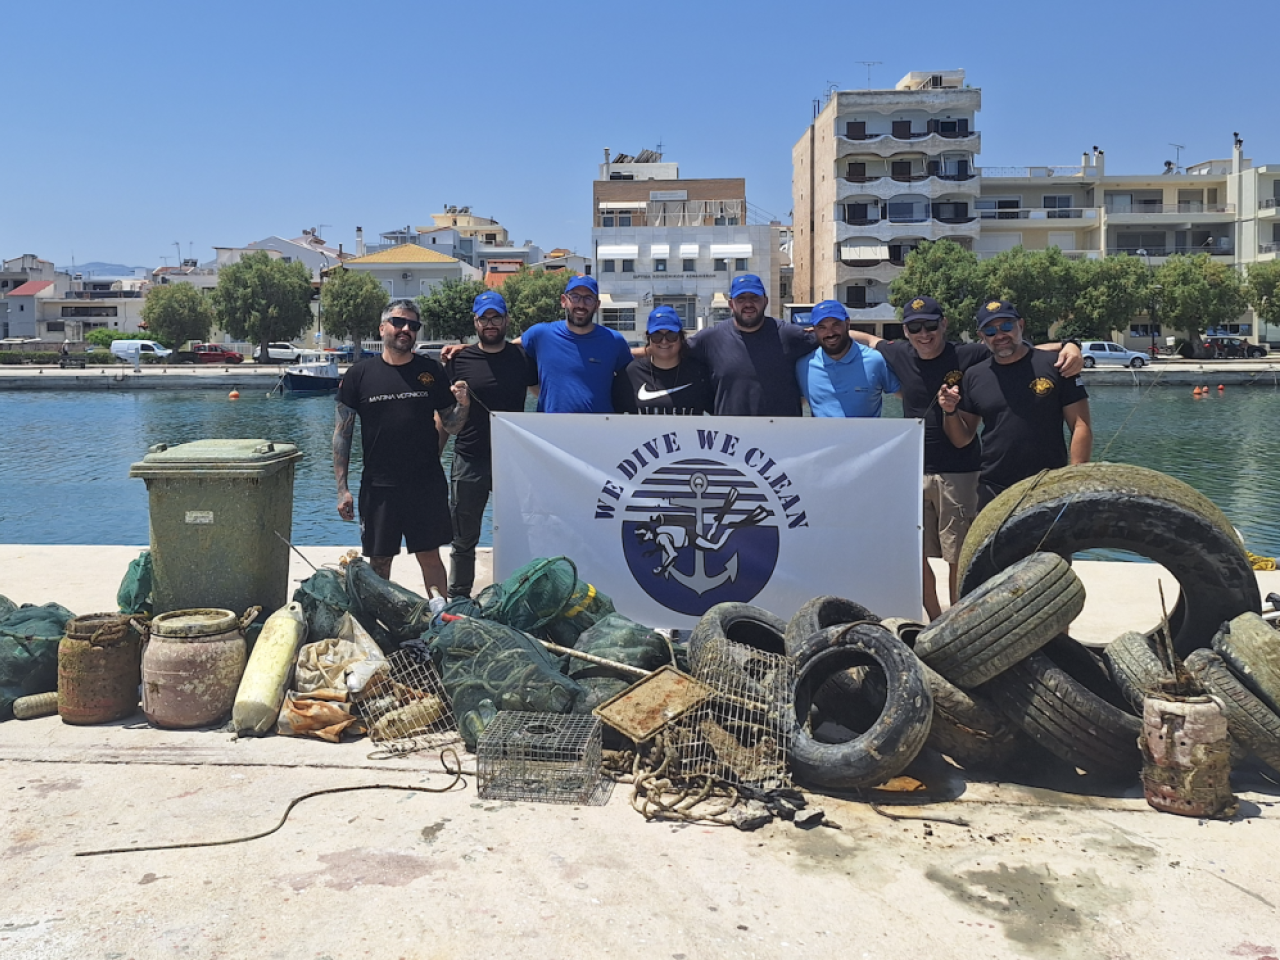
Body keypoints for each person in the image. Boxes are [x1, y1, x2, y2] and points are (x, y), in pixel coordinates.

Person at [851, 296, 1083, 620]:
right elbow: (869, 339)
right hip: (910, 472)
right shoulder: (899, 353)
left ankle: (961, 622)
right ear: (905, 330)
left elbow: (1026, 348)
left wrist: (1071, 346)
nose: (924, 333)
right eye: (915, 327)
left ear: (943, 324)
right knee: (914, 556)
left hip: (961, 473)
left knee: (960, 557)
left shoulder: (968, 354)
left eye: (931, 325)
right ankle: (935, 621)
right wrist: (823, 331)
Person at [333, 298, 470, 595]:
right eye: (398, 322)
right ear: (382, 328)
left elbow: (453, 425)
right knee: (379, 561)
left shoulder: (431, 371)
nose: (405, 329)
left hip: (426, 484)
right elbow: (343, 434)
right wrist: (342, 488)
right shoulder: (359, 375)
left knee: (430, 556)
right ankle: (381, 622)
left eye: (413, 325)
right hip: (379, 486)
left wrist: (464, 405)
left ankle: (439, 618)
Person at [938, 299, 1092, 512]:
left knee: (1049, 546)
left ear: (1021, 325)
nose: (1000, 335)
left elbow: (1080, 426)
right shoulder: (974, 375)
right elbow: (962, 439)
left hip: (1048, 484)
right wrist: (950, 411)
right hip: (993, 487)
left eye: (1007, 326)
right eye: (990, 331)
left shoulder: (1056, 365)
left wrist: (1074, 479)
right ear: (982, 337)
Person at [441, 291, 539, 598]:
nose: (491, 323)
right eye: (484, 318)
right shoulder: (458, 359)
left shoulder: (523, 358)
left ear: (507, 320)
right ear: (475, 322)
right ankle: (458, 599)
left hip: (513, 462)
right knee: (463, 538)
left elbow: (543, 398)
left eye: (496, 317)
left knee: (520, 534)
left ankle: (516, 597)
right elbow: (446, 418)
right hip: (469, 458)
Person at [683, 274, 817, 416]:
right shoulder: (709, 339)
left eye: (754, 298)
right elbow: (669, 350)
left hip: (781, 434)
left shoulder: (788, 335)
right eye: (741, 299)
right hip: (731, 434)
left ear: (765, 301)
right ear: (731, 304)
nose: (748, 304)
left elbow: (833, 341)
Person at [520, 274, 633, 413]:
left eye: (588, 299)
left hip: (601, 429)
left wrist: (647, 351)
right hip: (551, 429)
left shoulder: (614, 341)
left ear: (597, 305)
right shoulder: (540, 334)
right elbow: (510, 350)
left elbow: (633, 377)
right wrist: (542, 393)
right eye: (575, 297)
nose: (581, 304)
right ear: (563, 301)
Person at [796, 300, 900, 417]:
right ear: (813, 330)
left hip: (867, 435)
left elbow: (907, 398)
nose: (830, 333)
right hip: (821, 435)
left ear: (848, 324)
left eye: (836, 325)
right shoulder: (803, 366)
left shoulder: (875, 360)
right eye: (822, 327)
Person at [613, 306, 714, 415]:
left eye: (671, 335)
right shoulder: (630, 373)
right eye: (657, 336)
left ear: (681, 337)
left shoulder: (699, 374)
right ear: (649, 338)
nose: (664, 341)